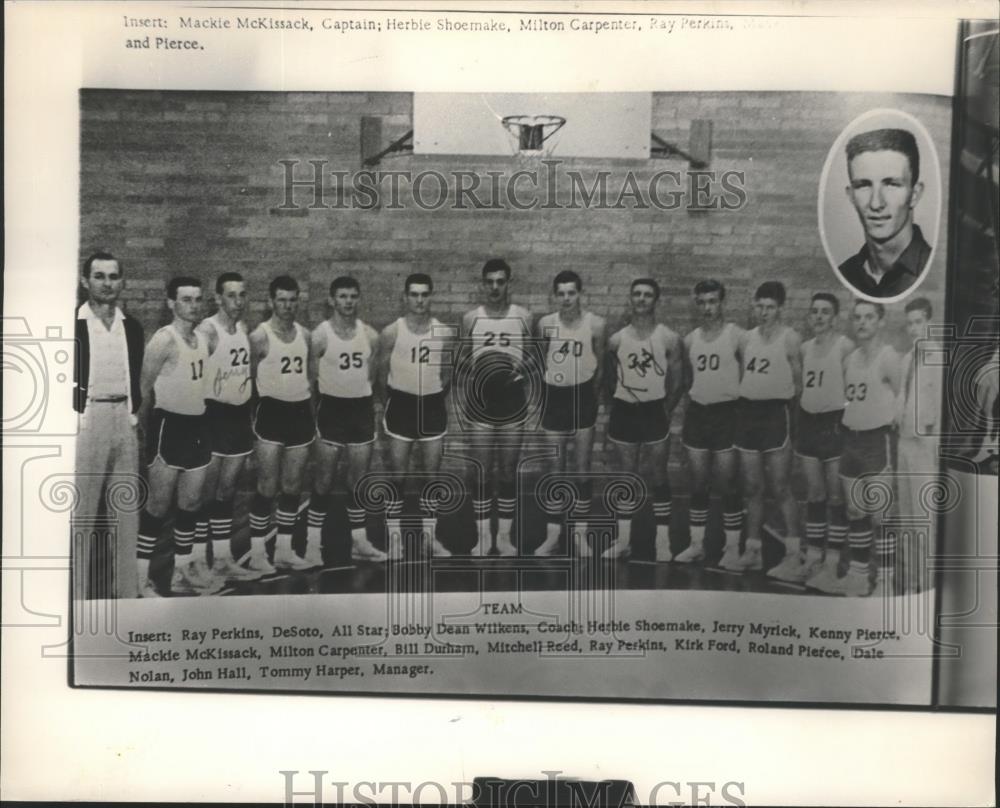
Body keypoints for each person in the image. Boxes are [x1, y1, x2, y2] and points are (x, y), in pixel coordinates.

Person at [135, 277, 222, 596]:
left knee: (191, 504)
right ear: (171, 303)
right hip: (168, 427)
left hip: (198, 428)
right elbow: (142, 391)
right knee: (157, 507)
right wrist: (146, 435)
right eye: (186, 299)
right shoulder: (163, 340)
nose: (194, 305)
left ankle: (181, 574)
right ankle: (139, 577)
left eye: (198, 299)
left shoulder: (204, 338)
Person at [815, 300, 901, 597]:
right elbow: (847, 400)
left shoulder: (889, 358)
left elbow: (903, 401)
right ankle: (858, 575)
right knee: (855, 510)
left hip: (878, 441)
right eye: (857, 318)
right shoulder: (849, 359)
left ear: (881, 321)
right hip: (850, 441)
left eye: (869, 317)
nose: (862, 322)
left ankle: (886, 582)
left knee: (881, 514)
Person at [73, 251, 144, 599]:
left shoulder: (130, 326)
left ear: (121, 281)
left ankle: (127, 594)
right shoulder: (71, 323)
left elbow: (136, 377)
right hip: (89, 421)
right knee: (83, 513)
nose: (107, 283)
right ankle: (77, 597)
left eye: (113, 276)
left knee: (126, 510)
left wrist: (133, 416)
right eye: (99, 276)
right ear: (85, 281)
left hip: (123, 420)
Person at [305, 276, 386, 563]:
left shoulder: (371, 336)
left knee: (358, 481)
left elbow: (372, 378)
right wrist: (313, 415)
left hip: (360, 411)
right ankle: (313, 545)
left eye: (353, 296)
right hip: (331, 411)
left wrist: (372, 406)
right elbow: (310, 381)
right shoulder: (320, 335)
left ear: (359, 299)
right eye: (342, 296)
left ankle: (359, 542)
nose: (348, 302)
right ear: (332, 299)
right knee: (324, 480)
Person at [377, 273, 457, 558]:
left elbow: (447, 373)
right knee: (397, 476)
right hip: (401, 406)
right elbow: (381, 374)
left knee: (431, 477)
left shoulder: (444, 333)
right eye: (414, 294)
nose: (419, 300)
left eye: (425, 294)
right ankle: (395, 538)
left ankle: (429, 537)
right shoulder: (391, 332)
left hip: (432, 406)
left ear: (431, 297)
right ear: (405, 297)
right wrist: (395, 400)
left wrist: (432, 394)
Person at [459, 258, 534, 556]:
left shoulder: (524, 316)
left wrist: (518, 368)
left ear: (508, 283)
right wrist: (479, 369)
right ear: (482, 284)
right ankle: (482, 537)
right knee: (481, 470)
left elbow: (533, 358)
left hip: (512, 399)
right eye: (489, 282)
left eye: (499, 281)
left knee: (507, 469)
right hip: (482, 400)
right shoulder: (470, 318)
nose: (494, 287)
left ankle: (504, 537)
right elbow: (462, 357)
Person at [604, 278, 683, 560]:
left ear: (656, 300)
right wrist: (617, 402)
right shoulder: (616, 339)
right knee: (626, 477)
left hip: (654, 412)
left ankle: (663, 541)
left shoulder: (668, 337)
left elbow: (678, 379)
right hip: (626, 411)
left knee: (659, 476)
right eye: (636, 294)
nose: (641, 299)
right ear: (630, 298)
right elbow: (609, 377)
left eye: (647, 295)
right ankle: (623, 540)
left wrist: (666, 409)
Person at [731, 281, 804, 580]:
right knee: (752, 487)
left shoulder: (790, 338)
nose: (764, 312)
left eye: (770, 307)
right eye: (759, 306)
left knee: (781, 486)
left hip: (776, 414)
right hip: (749, 414)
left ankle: (794, 554)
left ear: (780, 309)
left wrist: (795, 421)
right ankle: (753, 551)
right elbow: (743, 374)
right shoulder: (746, 339)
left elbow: (799, 385)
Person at [534, 270, 606, 557]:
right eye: (561, 293)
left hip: (583, 396)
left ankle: (579, 535)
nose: (566, 298)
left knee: (581, 469)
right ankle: (552, 535)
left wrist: (590, 395)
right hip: (555, 397)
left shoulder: (596, 324)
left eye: (571, 293)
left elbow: (600, 366)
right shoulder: (545, 324)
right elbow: (540, 362)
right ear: (554, 295)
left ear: (580, 294)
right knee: (554, 470)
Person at [194, 272, 259, 583]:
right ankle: (195, 560)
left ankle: (222, 558)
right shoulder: (207, 330)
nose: (238, 301)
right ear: (218, 298)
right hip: (213, 416)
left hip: (238, 417)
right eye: (231, 295)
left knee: (227, 491)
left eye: (242, 294)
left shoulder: (243, 328)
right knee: (203, 494)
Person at [248, 275, 314, 573]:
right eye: (282, 300)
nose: (288, 306)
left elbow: (311, 377)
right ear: (271, 302)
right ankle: (258, 552)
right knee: (266, 486)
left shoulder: (306, 335)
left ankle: (285, 549)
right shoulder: (259, 337)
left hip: (299, 412)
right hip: (270, 413)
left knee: (292, 485)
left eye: (292, 299)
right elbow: (247, 382)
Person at [676, 280, 744, 565]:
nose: (707, 307)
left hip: (728, 414)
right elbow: (690, 380)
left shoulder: (737, 335)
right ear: (697, 304)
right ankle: (697, 544)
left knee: (728, 483)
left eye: (713, 301)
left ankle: (732, 548)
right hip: (699, 415)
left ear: (722, 303)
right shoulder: (690, 339)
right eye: (702, 302)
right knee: (698, 482)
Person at [796, 293, 854, 590]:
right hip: (809, 423)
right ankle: (814, 558)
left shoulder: (844, 347)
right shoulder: (805, 348)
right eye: (814, 311)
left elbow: (853, 389)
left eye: (825, 312)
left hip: (833, 424)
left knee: (835, 497)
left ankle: (833, 562)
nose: (818, 317)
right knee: (815, 494)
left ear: (835, 317)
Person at [838, 128, 930, 299]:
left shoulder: (934, 269)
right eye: (863, 185)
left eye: (892, 184)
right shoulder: (843, 274)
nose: (876, 203)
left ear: (915, 194)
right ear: (851, 196)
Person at [895, 297, 942, 593]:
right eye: (910, 323)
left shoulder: (937, 357)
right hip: (904, 442)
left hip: (925, 446)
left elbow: (939, 405)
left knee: (925, 516)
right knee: (908, 514)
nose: (914, 328)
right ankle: (911, 580)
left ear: (929, 323)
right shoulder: (906, 358)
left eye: (918, 322)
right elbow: (903, 396)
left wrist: (933, 443)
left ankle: (928, 584)